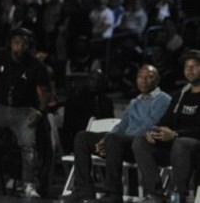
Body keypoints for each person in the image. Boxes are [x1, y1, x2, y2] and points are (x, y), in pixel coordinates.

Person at [61, 64, 171, 203]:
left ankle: (113, 194)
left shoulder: (163, 100)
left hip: (141, 146)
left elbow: (149, 126)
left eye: (149, 77)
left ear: (157, 80)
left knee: (114, 139)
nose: (144, 80)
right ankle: (84, 190)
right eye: (141, 77)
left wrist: (113, 138)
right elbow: (122, 125)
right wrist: (105, 139)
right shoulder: (134, 101)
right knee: (83, 137)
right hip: (120, 143)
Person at [0, 27, 50, 197]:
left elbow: (46, 91)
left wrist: (39, 112)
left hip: (23, 111)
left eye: (24, 44)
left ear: (29, 46)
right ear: (10, 43)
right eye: (16, 42)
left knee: (28, 145)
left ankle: (28, 184)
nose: (19, 47)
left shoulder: (37, 66)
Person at [132, 50, 200, 203]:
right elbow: (166, 121)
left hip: (194, 149)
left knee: (181, 142)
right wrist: (154, 131)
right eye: (186, 66)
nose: (189, 70)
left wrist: (175, 134)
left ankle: (178, 197)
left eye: (194, 66)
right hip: (176, 148)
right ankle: (156, 195)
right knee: (140, 142)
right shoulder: (180, 95)